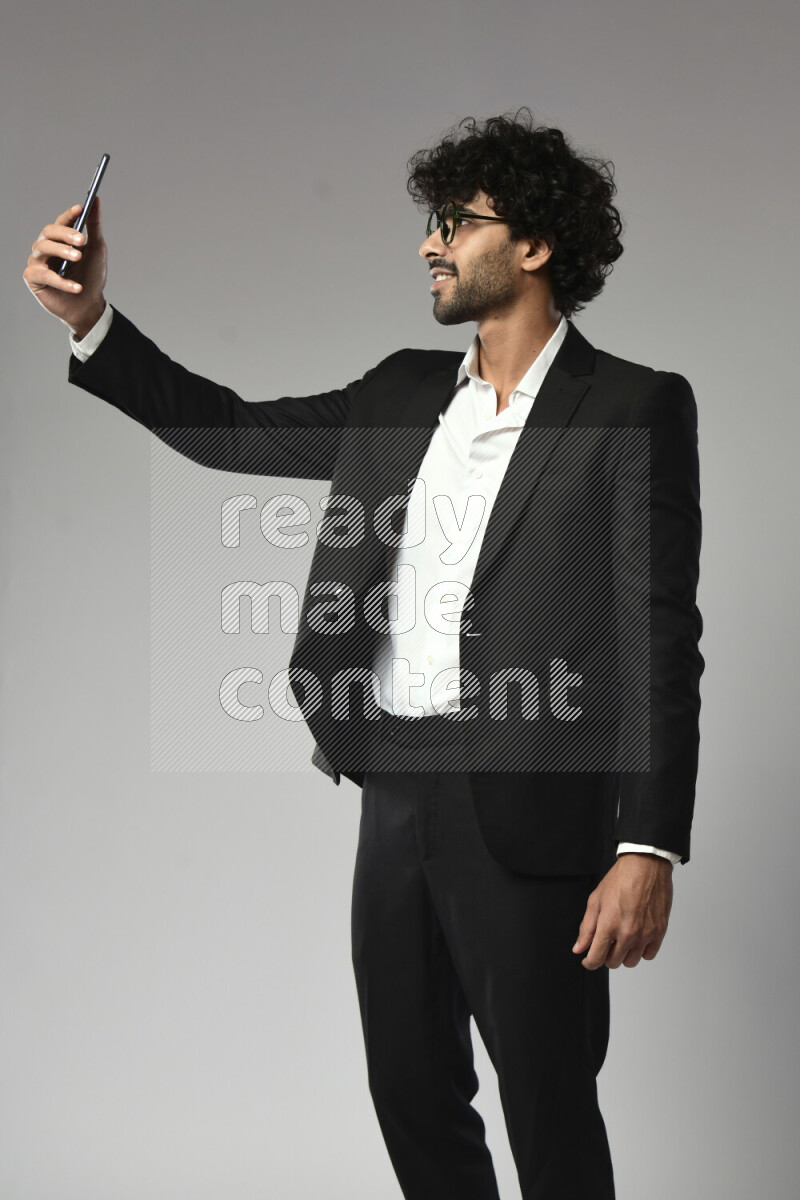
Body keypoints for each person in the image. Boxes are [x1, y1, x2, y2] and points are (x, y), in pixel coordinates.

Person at [24, 110, 703, 1200]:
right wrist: (92, 320)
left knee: (547, 1102)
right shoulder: (398, 392)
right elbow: (228, 430)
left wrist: (647, 845)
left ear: (534, 246)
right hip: (393, 786)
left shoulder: (632, 405)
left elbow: (660, 635)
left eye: (456, 222)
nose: (430, 243)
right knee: (410, 1093)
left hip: (531, 803)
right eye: (431, 222)